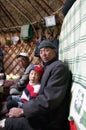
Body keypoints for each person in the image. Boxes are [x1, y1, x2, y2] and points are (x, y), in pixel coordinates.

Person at [0, 40, 72, 130]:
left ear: (55, 51)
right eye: (41, 51)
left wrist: (23, 110)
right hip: (41, 112)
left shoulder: (58, 67)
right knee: (9, 114)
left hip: (49, 120)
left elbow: (49, 100)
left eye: (46, 50)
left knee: (7, 123)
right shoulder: (46, 67)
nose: (43, 54)